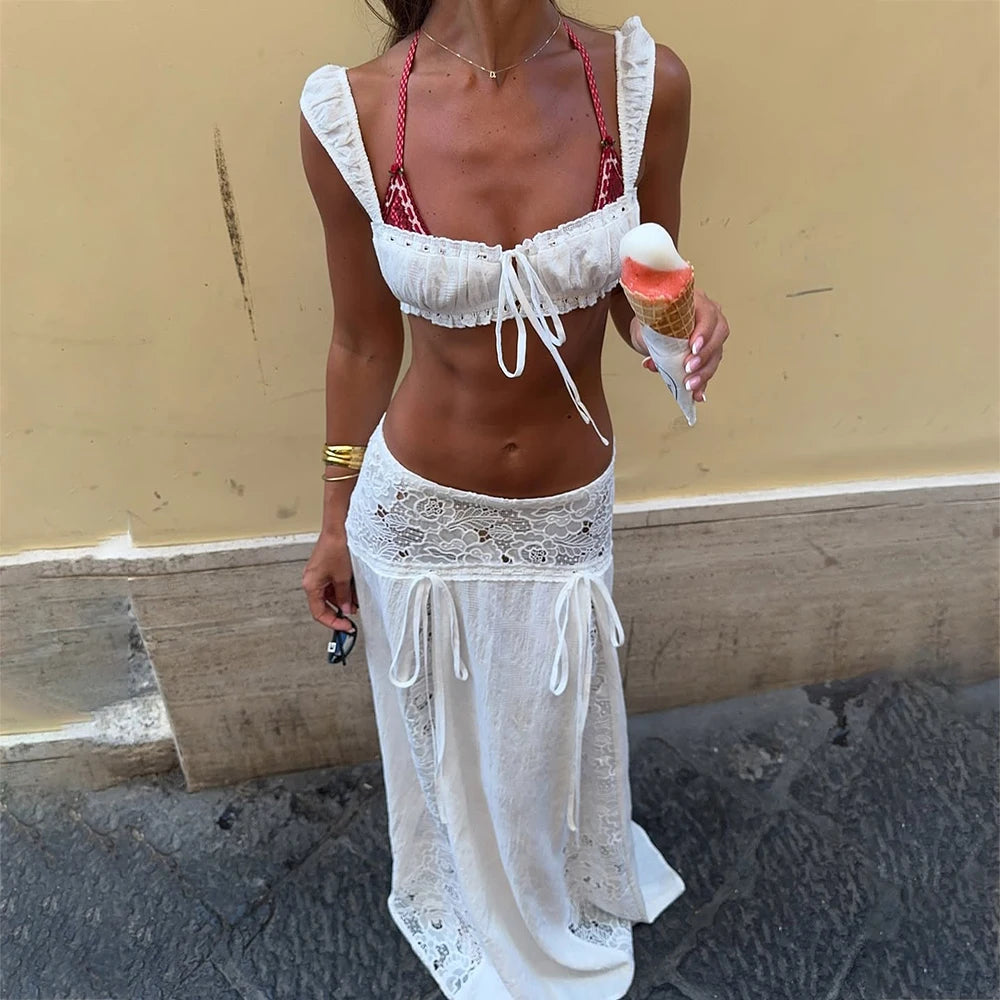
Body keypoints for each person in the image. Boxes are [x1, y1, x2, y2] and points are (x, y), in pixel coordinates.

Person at [298, 1, 730, 996]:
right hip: (415, 511)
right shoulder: (355, 113)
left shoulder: (640, 84)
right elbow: (360, 343)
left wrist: (685, 323)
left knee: (543, 737)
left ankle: (547, 888)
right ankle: (469, 898)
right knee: (447, 749)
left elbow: (638, 292)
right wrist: (332, 519)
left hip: (564, 507)